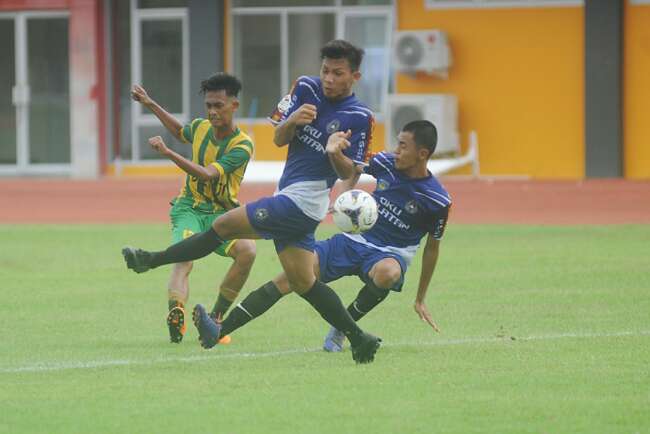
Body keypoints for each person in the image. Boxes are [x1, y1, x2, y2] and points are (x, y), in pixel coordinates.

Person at [122, 40, 381, 364]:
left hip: (303, 202)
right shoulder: (304, 87)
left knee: (223, 225)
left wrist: (334, 152)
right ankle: (359, 338)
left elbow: (351, 173)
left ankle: (151, 260)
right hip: (288, 195)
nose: (328, 78)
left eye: (338, 73)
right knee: (303, 282)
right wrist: (293, 120)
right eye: (325, 70)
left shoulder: (360, 117)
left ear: (354, 76)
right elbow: (277, 138)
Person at [205, 120, 451, 352]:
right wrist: (345, 196)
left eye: (403, 146)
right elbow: (354, 167)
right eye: (397, 143)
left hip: (391, 253)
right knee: (289, 279)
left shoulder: (437, 200)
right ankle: (219, 330)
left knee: (389, 273)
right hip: (350, 241)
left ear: (422, 154)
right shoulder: (387, 163)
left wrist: (420, 298)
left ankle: (342, 328)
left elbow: (432, 248)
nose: (396, 150)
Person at [129, 73, 257, 344]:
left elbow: (208, 174)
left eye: (218, 105)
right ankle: (176, 312)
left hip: (222, 213)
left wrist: (168, 153)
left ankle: (216, 318)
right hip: (189, 207)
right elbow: (179, 131)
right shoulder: (200, 128)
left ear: (234, 105)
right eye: (209, 105)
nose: (212, 111)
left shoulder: (242, 145)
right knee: (184, 259)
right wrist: (150, 103)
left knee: (247, 251)